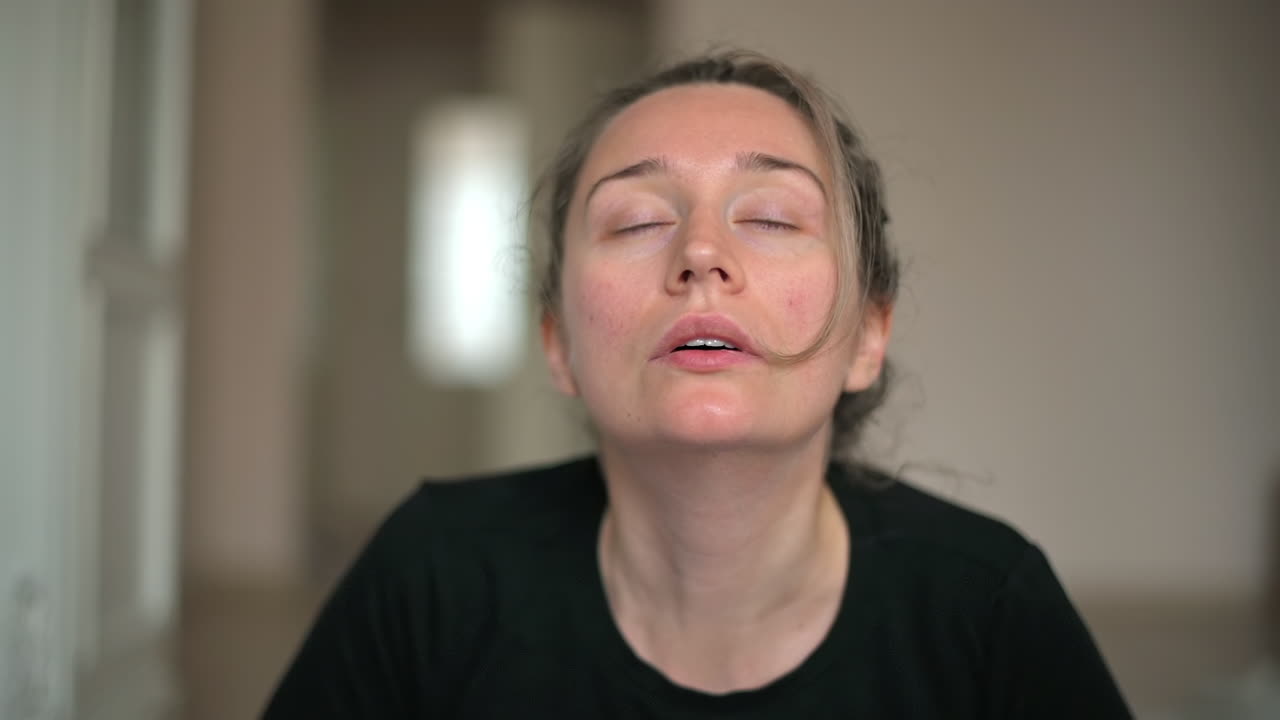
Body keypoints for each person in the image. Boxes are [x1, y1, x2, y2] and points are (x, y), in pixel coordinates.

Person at [263, 50, 1132, 718]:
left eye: (770, 216)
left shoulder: (988, 610)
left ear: (868, 334)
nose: (702, 254)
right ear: (558, 342)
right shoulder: (433, 575)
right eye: (638, 221)